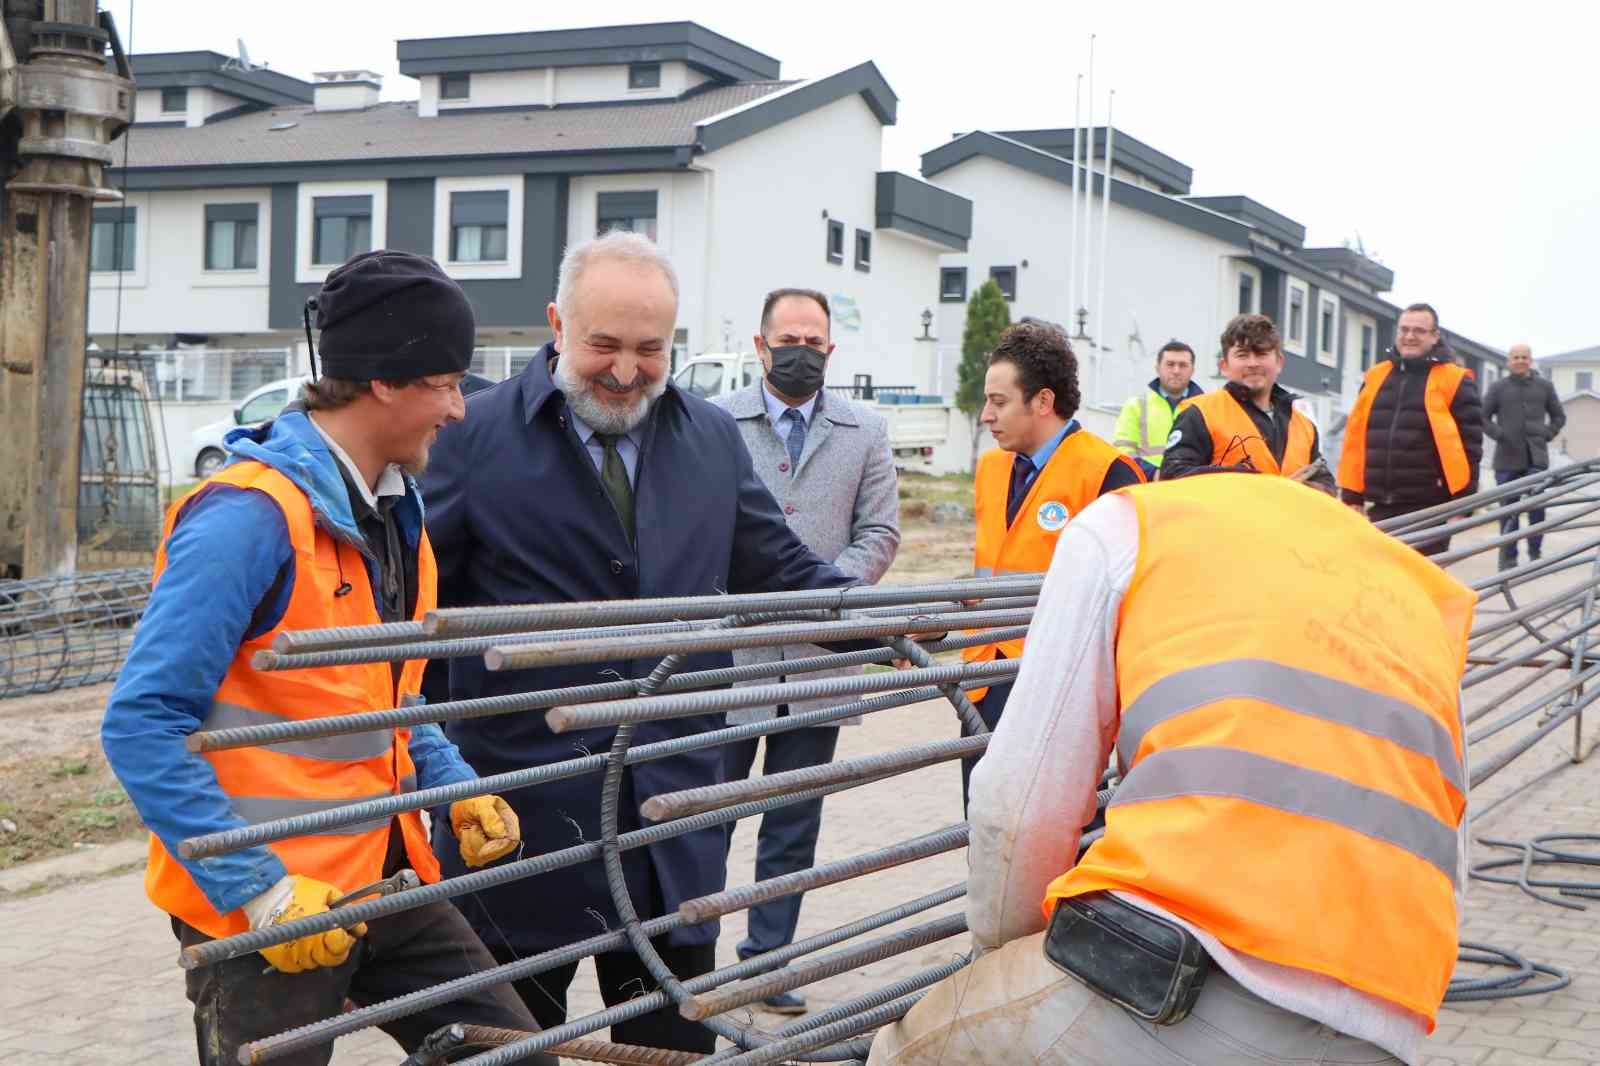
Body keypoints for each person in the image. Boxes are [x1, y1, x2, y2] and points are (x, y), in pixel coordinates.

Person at [100, 251, 551, 1066]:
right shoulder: (247, 519)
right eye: (445, 382)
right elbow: (140, 725)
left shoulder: (393, 509)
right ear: (382, 380)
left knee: (511, 1052)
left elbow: (387, 697)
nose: (457, 410)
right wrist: (261, 893)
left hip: (384, 873)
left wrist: (453, 788)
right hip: (265, 906)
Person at [420, 232, 858, 1053]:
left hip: (671, 821)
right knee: (508, 1043)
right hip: (520, 820)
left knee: (666, 1047)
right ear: (557, 323)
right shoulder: (471, 439)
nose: (626, 371)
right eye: (604, 346)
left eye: (651, 349)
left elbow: (778, 566)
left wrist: (878, 618)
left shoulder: (709, 439)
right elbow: (410, 606)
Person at [869, 472, 1475, 1066]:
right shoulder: (1417, 589)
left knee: (915, 1048)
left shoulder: (1129, 526)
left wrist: (1005, 961)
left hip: (1185, 981)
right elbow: (1455, 834)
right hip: (1391, 1015)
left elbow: (1022, 801)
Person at [710, 286, 901, 1014]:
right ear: (759, 346)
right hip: (729, 658)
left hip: (821, 658)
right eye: (786, 339)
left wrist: (823, 595)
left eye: (813, 341)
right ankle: (686, 954)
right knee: (707, 815)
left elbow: (879, 532)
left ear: (831, 350)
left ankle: (770, 961)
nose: (800, 352)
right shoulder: (714, 421)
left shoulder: (864, 430)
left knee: (792, 821)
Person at [962, 320, 1144, 809]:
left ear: (1042, 401)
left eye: (999, 402)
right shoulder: (990, 469)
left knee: (1053, 844)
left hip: (1060, 691)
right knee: (983, 835)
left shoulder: (1109, 472)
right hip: (984, 682)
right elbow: (989, 567)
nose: (986, 415)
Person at [1339, 303, 1485, 556]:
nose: (1409, 336)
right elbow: (1356, 437)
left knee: (1422, 588)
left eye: (1419, 330)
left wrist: (1463, 504)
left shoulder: (1455, 380)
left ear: (1434, 336)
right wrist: (1352, 496)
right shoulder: (1375, 376)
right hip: (1379, 505)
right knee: (1378, 584)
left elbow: (1470, 446)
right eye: (1404, 329)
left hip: (1429, 508)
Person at [1161, 313, 1336, 492]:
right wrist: (1253, 483)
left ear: (1279, 362)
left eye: (1261, 353)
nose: (1252, 363)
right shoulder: (1199, 414)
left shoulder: (1304, 425)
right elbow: (1174, 476)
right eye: (1242, 355)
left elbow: (1326, 484)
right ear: (1224, 366)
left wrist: (1306, 489)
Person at [1483, 343, 1565, 569]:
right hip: (1506, 460)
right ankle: (1508, 559)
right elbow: (1482, 416)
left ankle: (1535, 554)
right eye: (1516, 357)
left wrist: (1547, 434)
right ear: (1509, 361)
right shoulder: (1498, 388)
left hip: (1536, 459)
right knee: (1509, 511)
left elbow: (1559, 416)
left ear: (1530, 360)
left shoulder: (1545, 387)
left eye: (1524, 357)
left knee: (1537, 509)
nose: (1520, 360)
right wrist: (1499, 434)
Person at [1112, 340, 1203, 475]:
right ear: (1157, 368)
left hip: (1192, 486)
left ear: (1192, 370)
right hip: (1146, 487)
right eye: (1170, 364)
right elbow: (1123, 451)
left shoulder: (1205, 406)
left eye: (1183, 365)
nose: (1176, 371)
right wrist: (1153, 474)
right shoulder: (1136, 405)